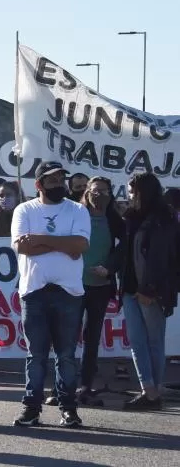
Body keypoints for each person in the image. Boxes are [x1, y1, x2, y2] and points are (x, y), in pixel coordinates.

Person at [11, 161, 89, 428]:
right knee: (36, 355)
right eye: (52, 180)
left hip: (68, 292)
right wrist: (63, 245)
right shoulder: (24, 210)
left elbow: (80, 245)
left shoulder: (78, 209)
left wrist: (41, 240)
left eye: (61, 179)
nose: (59, 184)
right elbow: (23, 247)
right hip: (34, 292)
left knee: (66, 355)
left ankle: (68, 408)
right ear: (39, 184)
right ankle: (31, 408)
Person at [108, 172, 180, 411]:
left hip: (151, 291)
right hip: (129, 289)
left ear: (143, 191)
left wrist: (148, 288)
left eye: (132, 190)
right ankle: (148, 389)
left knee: (154, 342)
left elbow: (161, 258)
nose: (128, 195)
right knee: (137, 342)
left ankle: (153, 392)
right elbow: (126, 252)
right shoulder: (131, 217)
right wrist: (108, 268)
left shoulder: (164, 218)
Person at [71, 176, 124, 407]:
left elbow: (125, 248)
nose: (99, 195)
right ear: (87, 192)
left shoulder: (115, 220)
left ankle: (86, 384)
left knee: (92, 339)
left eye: (104, 191)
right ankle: (65, 384)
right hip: (74, 285)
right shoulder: (76, 214)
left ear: (111, 194)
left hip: (100, 287)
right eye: (94, 191)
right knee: (68, 337)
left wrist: (109, 268)